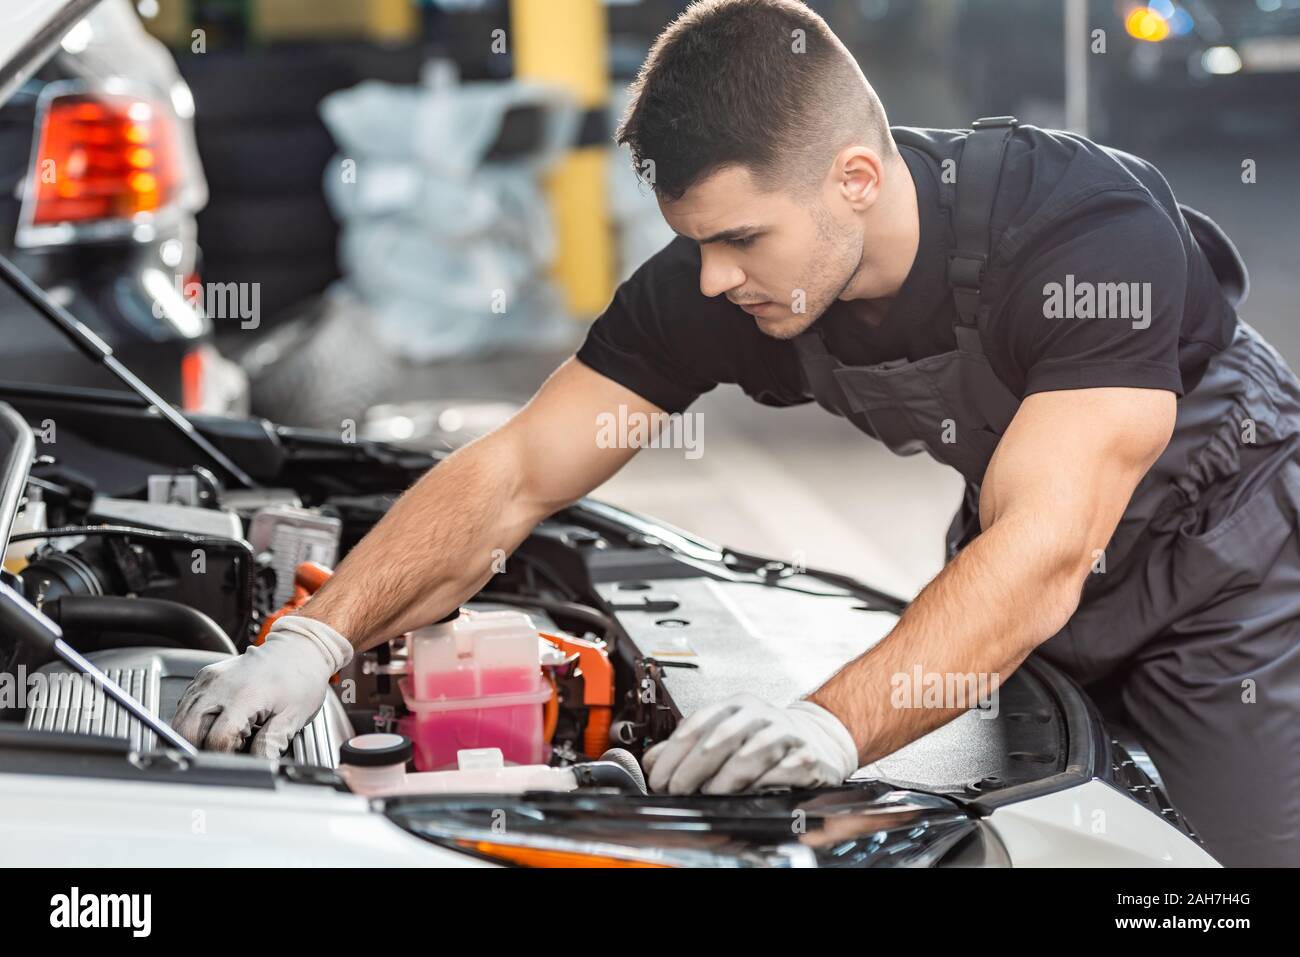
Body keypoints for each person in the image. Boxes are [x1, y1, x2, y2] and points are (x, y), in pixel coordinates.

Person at [175, 0, 1300, 867]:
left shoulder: (1083, 234)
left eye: (742, 238)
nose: (714, 277)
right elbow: (518, 469)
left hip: (1231, 575)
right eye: (694, 240)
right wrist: (315, 639)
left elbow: (1048, 542)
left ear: (855, 179)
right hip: (1021, 561)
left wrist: (827, 728)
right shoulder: (728, 281)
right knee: (1028, 842)